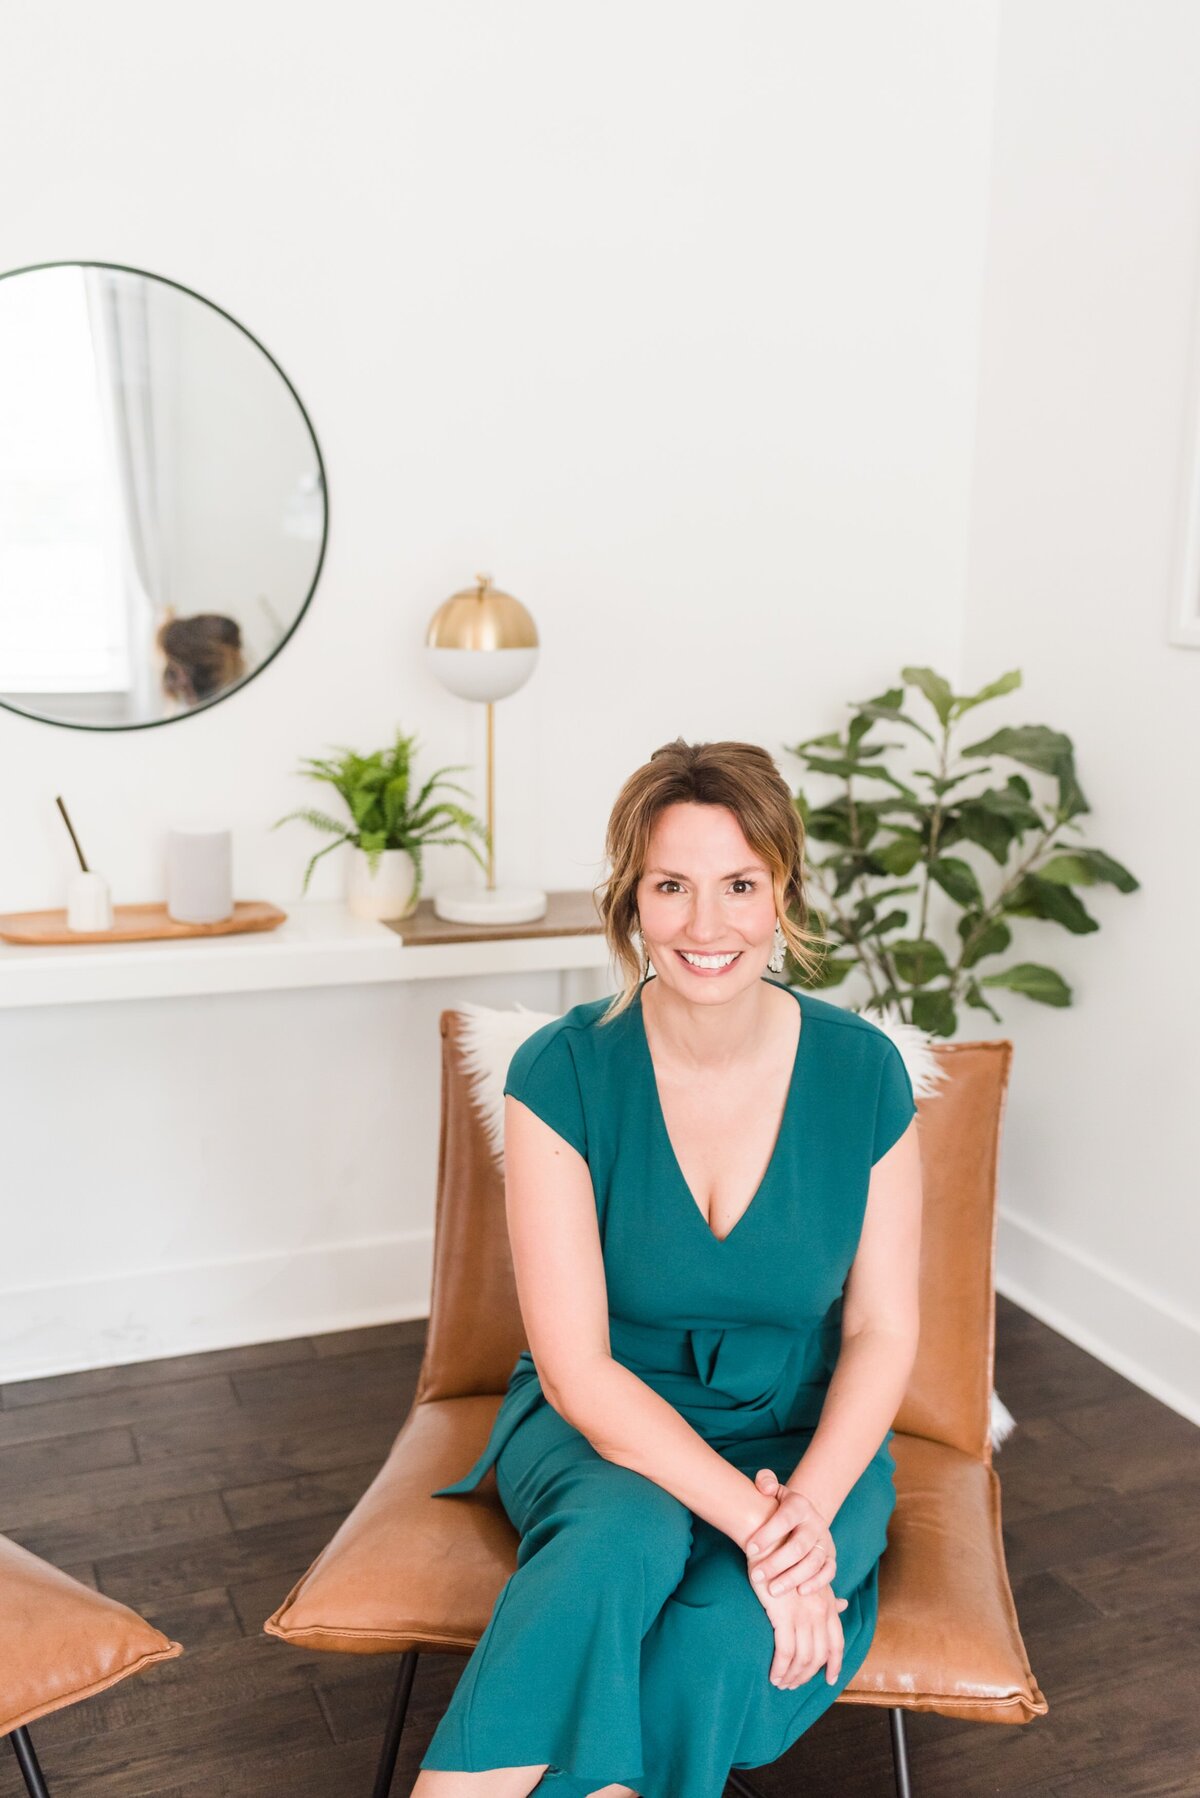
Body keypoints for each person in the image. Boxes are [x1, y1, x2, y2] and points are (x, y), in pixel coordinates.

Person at [415, 738, 923, 1798]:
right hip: (608, 1418)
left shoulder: (864, 1070)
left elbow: (882, 1330)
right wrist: (759, 1525)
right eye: (671, 886)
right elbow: (578, 1372)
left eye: (739, 884)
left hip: (806, 1442)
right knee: (619, 1539)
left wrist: (805, 1519)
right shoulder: (559, 1069)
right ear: (630, 902)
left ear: (782, 892)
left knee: (718, 1638)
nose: (706, 924)